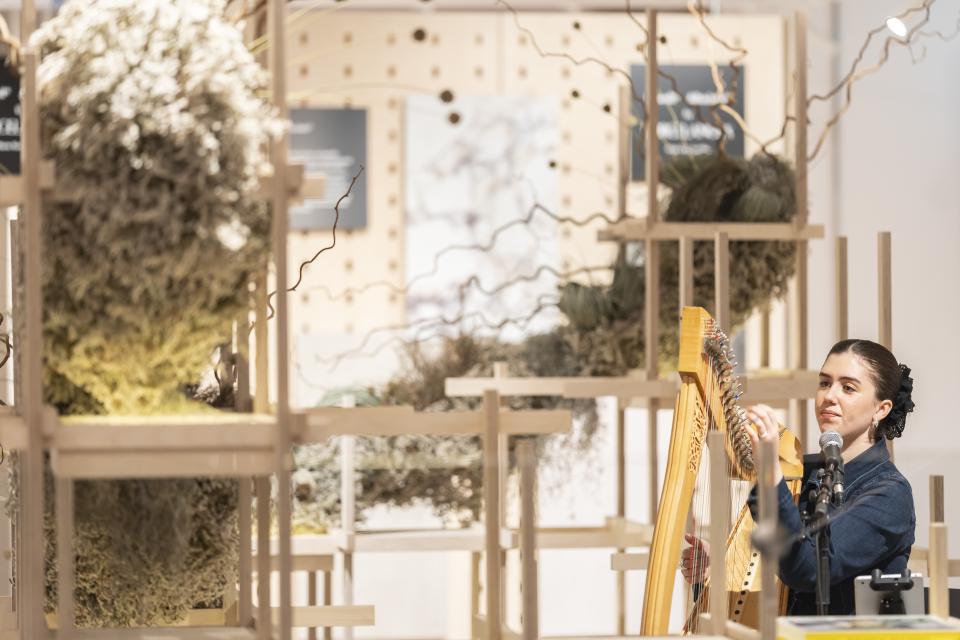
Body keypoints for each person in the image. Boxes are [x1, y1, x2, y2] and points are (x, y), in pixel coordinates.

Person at [680, 338, 916, 615]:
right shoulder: (802, 473)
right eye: (825, 383)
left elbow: (808, 570)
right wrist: (717, 570)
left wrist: (769, 475)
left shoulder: (889, 494)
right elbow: (772, 574)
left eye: (848, 387)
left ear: (881, 408)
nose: (830, 396)